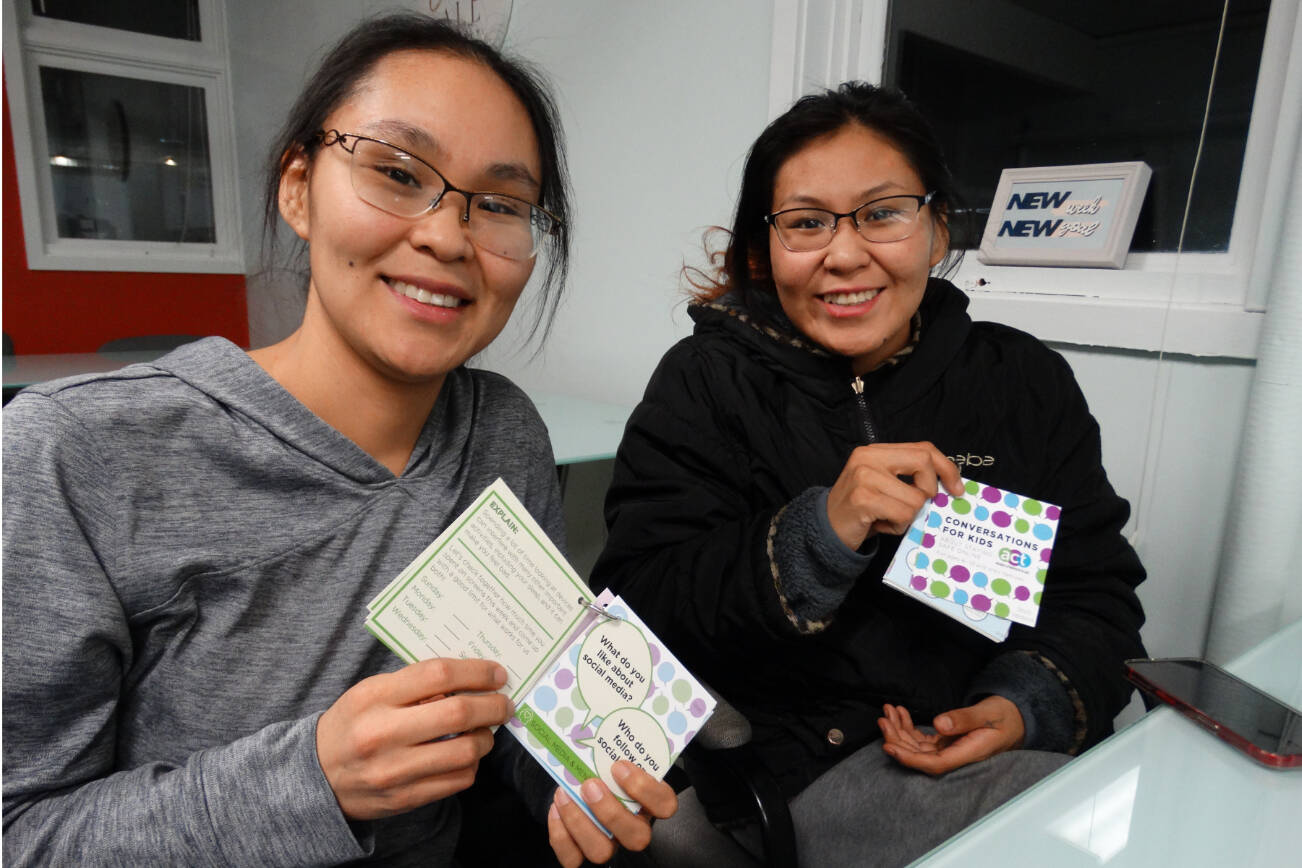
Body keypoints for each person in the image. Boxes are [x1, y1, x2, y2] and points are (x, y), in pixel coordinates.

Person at [1, 14, 674, 867]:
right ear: (296, 187)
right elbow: (18, 832)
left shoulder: (502, 434)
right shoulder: (72, 454)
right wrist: (312, 779)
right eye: (396, 172)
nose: (444, 235)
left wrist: (576, 778)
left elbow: (517, 705)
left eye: (499, 204)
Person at [590, 82, 1146, 867]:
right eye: (807, 223)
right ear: (764, 249)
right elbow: (639, 609)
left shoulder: (1022, 382)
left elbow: (1095, 594)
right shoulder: (706, 383)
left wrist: (1023, 704)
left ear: (936, 228)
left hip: (988, 748)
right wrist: (818, 534)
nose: (844, 254)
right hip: (794, 768)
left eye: (882, 213)